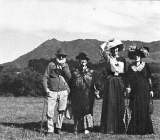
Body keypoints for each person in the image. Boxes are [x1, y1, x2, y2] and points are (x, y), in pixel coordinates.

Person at [99, 39, 127, 134]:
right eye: (113, 49)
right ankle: (109, 128)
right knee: (110, 102)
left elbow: (125, 74)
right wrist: (107, 41)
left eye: (116, 49)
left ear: (118, 50)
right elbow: (101, 48)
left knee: (119, 103)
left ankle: (119, 128)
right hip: (110, 81)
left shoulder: (123, 60)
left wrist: (127, 86)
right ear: (111, 50)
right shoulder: (108, 58)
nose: (115, 51)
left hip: (119, 81)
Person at [126, 45, 154, 135]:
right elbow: (128, 79)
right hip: (135, 91)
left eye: (138, 55)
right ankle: (135, 130)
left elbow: (149, 78)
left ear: (141, 56)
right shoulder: (130, 67)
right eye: (135, 55)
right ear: (133, 56)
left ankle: (145, 129)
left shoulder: (146, 66)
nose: (137, 57)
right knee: (135, 108)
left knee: (144, 109)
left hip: (145, 90)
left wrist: (151, 89)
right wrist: (128, 87)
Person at [43, 48, 71, 135]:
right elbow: (45, 77)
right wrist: (46, 89)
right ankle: (50, 129)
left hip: (63, 91)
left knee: (61, 110)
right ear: (57, 56)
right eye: (59, 56)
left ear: (65, 57)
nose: (61, 57)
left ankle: (58, 127)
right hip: (52, 91)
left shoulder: (66, 65)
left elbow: (69, 77)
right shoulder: (51, 65)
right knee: (50, 111)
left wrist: (64, 68)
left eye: (63, 56)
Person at [69, 52, 97, 134]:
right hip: (77, 94)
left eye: (85, 60)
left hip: (88, 94)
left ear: (87, 62)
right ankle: (77, 127)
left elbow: (95, 83)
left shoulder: (91, 72)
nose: (83, 61)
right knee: (77, 110)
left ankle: (87, 128)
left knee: (87, 110)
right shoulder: (74, 72)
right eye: (81, 60)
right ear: (79, 61)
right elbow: (70, 83)